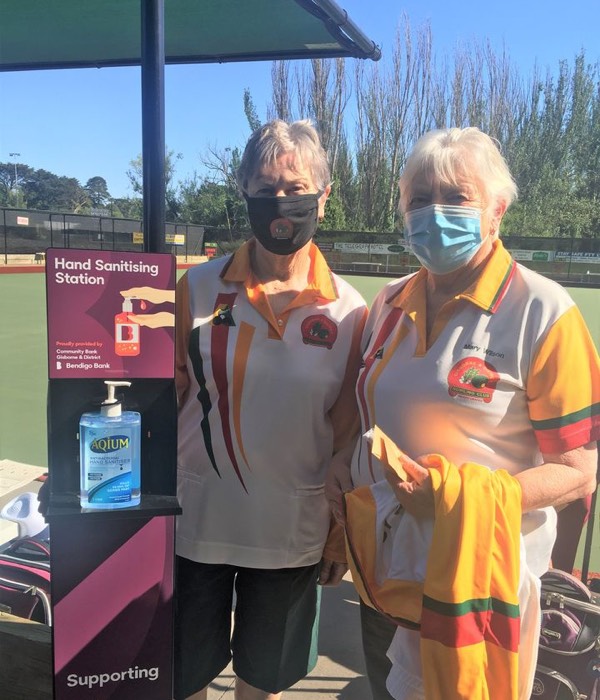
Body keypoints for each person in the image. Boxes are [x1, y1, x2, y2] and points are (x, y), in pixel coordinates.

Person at [326, 126, 599, 699]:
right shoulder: (389, 302)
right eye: (419, 199)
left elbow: (578, 470)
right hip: (388, 567)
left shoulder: (544, 310)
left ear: (496, 210)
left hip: (483, 579)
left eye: (456, 197)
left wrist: (451, 500)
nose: (435, 213)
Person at [174, 119, 368, 700]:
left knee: (266, 681)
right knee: (184, 674)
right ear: (244, 195)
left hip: (291, 533)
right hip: (196, 523)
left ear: (324, 198)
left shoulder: (350, 310)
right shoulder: (196, 288)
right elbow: (167, 396)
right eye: (263, 190)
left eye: (295, 187)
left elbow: (345, 434)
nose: (280, 202)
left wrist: (338, 536)